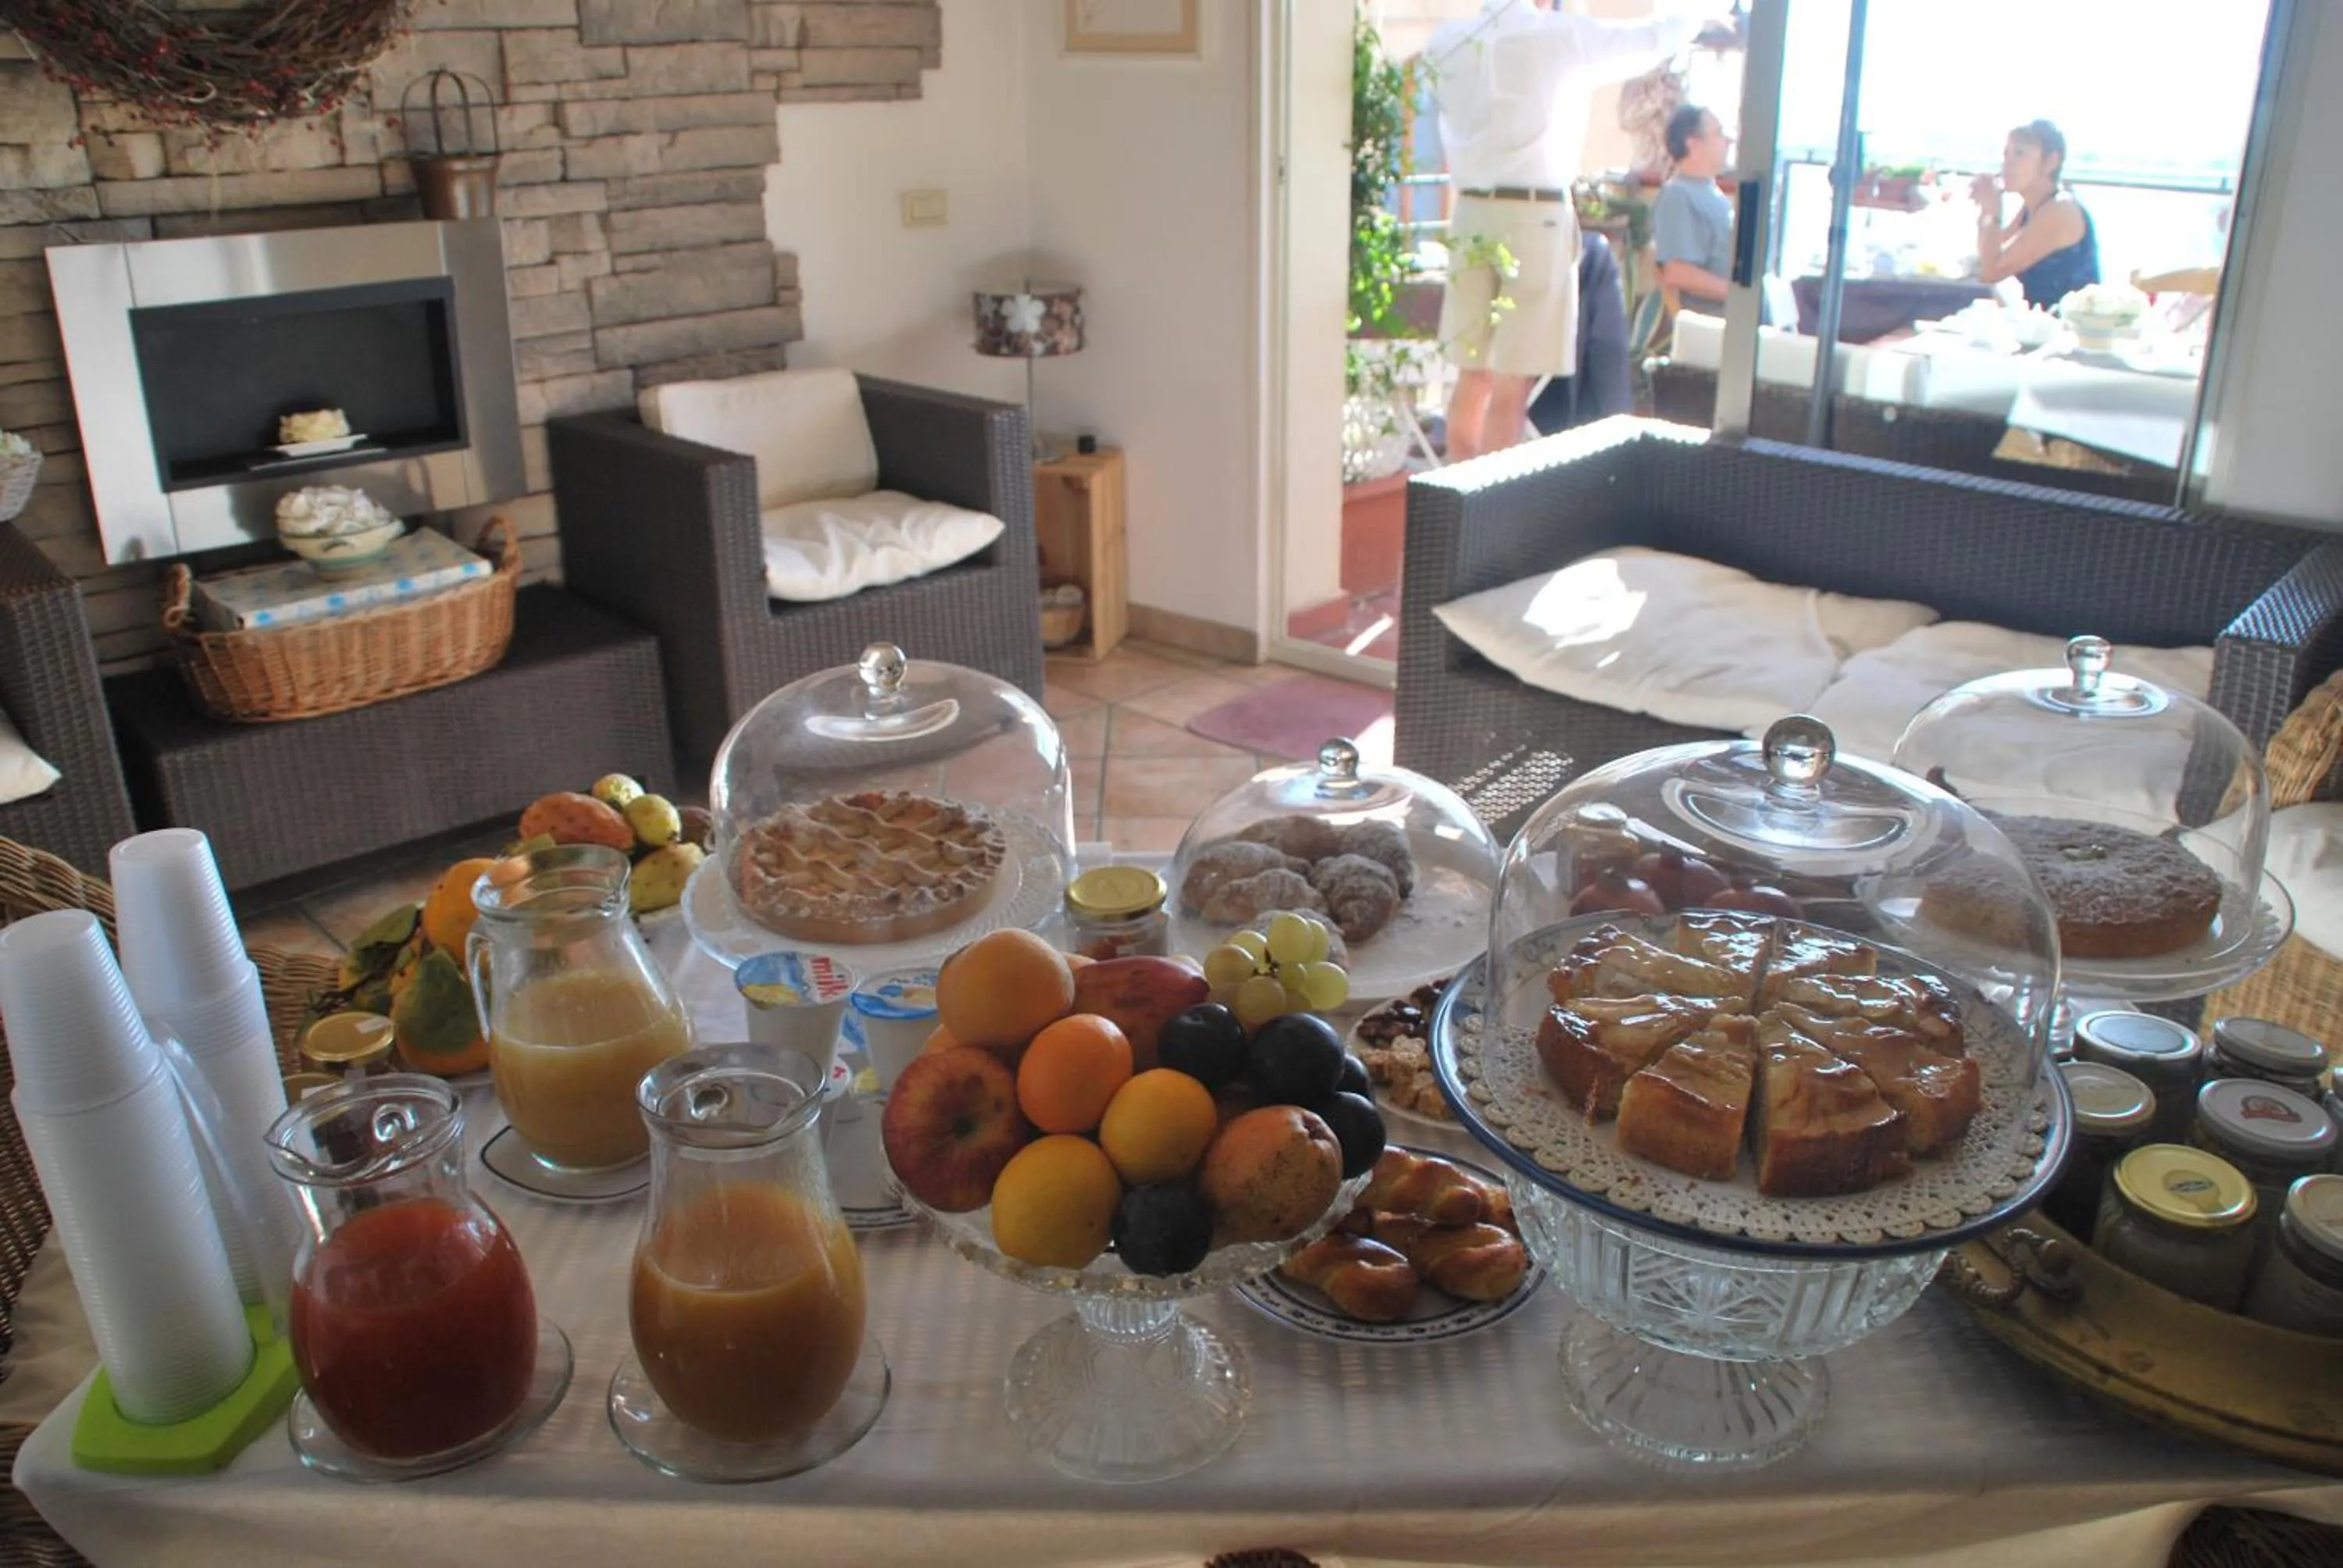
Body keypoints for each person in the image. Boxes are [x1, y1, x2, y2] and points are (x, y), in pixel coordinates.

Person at [1425, 0, 1706, 461]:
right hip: (1533, 218)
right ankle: (1489, 516)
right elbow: (1647, 41)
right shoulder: (1558, 37)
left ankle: (1454, 504)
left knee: (1472, 376)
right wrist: (1696, 14)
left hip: (1471, 213)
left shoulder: (1446, 42)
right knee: (1512, 383)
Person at [1971, 119, 2099, 309]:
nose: (2007, 163)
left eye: (2019, 154)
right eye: (2006, 154)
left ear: (2051, 162)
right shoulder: (2034, 207)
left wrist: (1992, 211)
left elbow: (1992, 272)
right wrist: (1986, 211)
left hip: (2069, 332)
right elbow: (1989, 257)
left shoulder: (2061, 210)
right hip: (2041, 327)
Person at [1650, 102, 1733, 315]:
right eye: (1719, 134)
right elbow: (1677, 273)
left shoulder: (1715, 194)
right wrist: (1738, 294)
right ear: (1693, 143)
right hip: (1715, 326)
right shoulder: (1678, 195)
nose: (1728, 142)